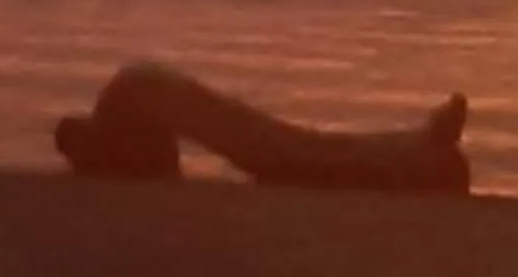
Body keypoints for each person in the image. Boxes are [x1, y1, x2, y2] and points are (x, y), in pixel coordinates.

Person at [54, 63, 472, 193]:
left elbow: (163, 172)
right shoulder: (122, 117)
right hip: (174, 98)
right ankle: (417, 149)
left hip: (169, 97)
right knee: (297, 153)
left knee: (295, 154)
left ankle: (416, 149)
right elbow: (163, 172)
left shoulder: (118, 114)